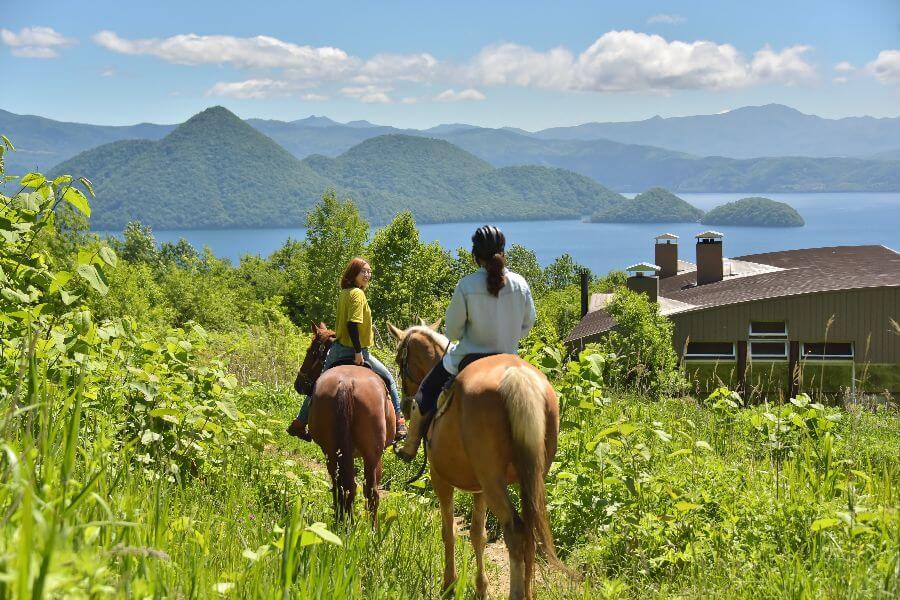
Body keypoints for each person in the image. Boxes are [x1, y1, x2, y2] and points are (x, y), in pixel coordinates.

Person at [397, 225, 536, 461]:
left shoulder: (467, 285)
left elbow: (452, 330)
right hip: (510, 359)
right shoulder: (520, 283)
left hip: (468, 358)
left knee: (426, 392)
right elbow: (528, 324)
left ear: (475, 255)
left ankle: (410, 446)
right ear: (503, 251)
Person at [287, 257, 407, 441]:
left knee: (319, 385)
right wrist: (358, 352)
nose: (367, 275)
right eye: (363, 272)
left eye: (369, 272)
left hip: (337, 350)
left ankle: (300, 422)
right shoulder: (358, 295)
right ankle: (399, 421)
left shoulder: (345, 292)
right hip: (356, 350)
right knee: (389, 378)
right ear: (353, 273)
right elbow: (352, 324)